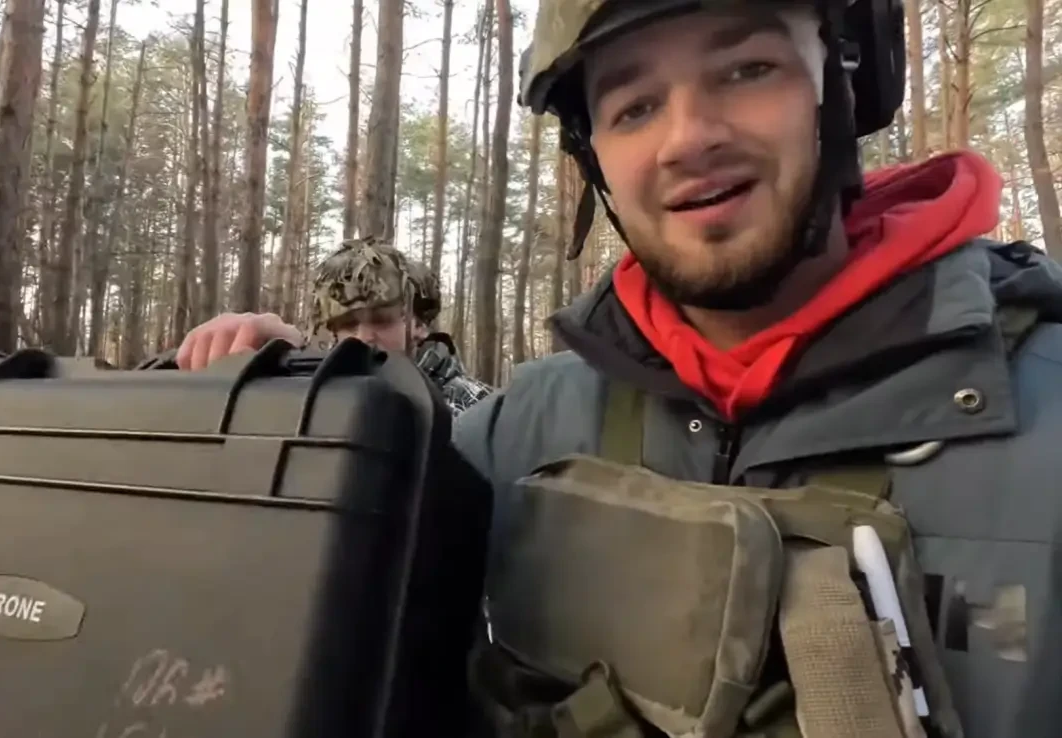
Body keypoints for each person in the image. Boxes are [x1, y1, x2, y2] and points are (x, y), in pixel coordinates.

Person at [448, 0, 1062, 736]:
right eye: (634, 107)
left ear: (841, 82)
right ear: (593, 156)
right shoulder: (508, 442)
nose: (688, 138)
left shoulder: (1045, 413)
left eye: (748, 70)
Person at [176, 236, 492, 415]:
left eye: (381, 321)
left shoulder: (477, 409)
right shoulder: (322, 395)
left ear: (419, 324)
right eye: (348, 324)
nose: (364, 338)